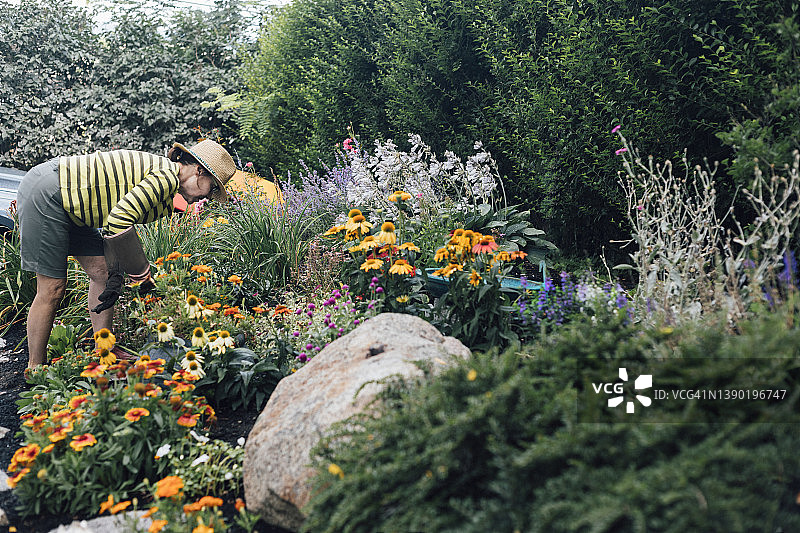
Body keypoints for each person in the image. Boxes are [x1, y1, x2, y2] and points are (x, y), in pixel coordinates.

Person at [16, 140, 236, 368]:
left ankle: (105, 352)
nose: (209, 197)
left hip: (74, 205)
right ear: (199, 170)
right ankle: (36, 370)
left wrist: (116, 272)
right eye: (212, 188)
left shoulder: (166, 188)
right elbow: (119, 220)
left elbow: (114, 224)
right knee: (52, 288)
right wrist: (141, 273)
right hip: (50, 193)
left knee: (103, 274)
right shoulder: (166, 177)